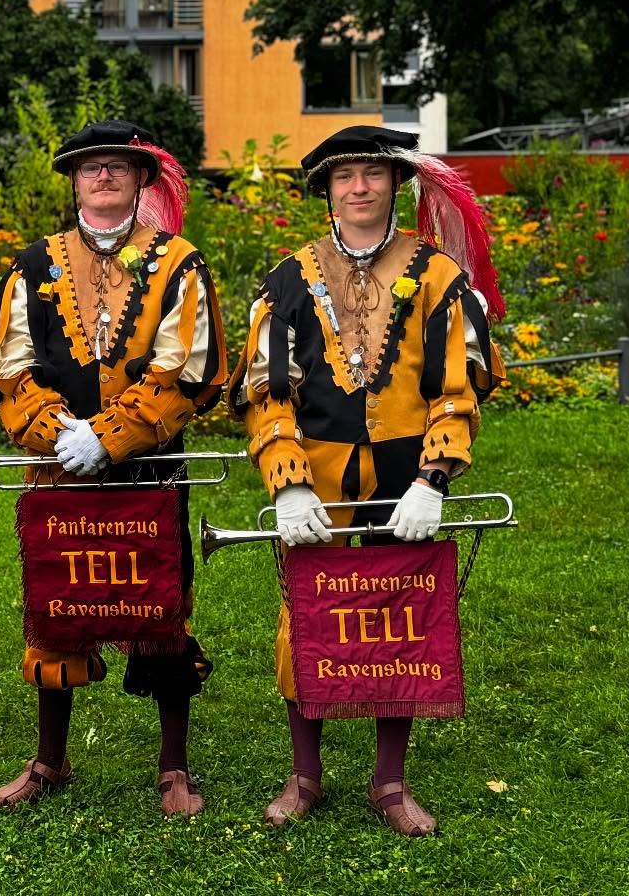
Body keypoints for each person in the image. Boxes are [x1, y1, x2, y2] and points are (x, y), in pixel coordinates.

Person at [232, 125, 506, 837]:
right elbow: (268, 393)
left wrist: (435, 476)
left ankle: (389, 781)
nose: (359, 187)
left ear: (395, 185)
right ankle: (305, 776)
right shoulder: (287, 279)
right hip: (316, 473)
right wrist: (286, 480)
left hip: (404, 471)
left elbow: (459, 387)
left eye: (373, 175)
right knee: (309, 616)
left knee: (401, 617)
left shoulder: (440, 274)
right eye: (344, 176)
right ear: (325, 189)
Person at [0, 119, 227, 813]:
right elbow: (8, 367)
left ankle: (173, 767)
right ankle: (49, 760)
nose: (104, 176)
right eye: (91, 167)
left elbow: (192, 369)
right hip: (59, 468)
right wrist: (55, 430)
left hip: (149, 469)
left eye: (119, 166)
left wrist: (113, 435)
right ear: (74, 180)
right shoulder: (33, 263)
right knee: (57, 606)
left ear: (142, 179)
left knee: (160, 606)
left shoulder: (180, 261)